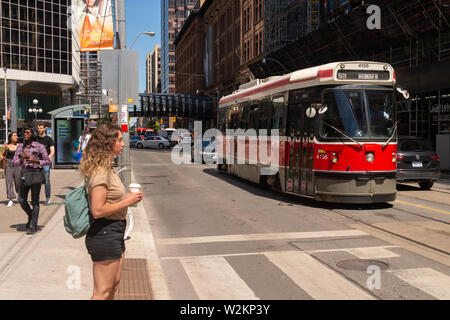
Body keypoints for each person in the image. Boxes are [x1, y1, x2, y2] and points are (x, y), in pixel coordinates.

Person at [79, 123, 143, 300]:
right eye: (119, 140)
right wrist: (127, 201)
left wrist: (126, 199)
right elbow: (98, 210)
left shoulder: (107, 169)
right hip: (104, 232)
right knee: (103, 291)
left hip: (114, 231)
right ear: (108, 143)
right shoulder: (100, 172)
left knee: (113, 286)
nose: (123, 144)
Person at [13, 127, 50, 235]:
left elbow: (48, 161)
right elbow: (15, 162)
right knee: (21, 200)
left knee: (35, 201)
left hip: (36, 174)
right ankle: (31, 215)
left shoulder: (40, 146)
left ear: (32, 134)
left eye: (27, 133)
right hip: (24, 175)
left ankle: (33, 225)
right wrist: (21, 159)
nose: (25, 134)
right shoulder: (20, 147)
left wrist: (36, 160)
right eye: (24, 132)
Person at [0, 132, 22, 207]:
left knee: (18, 181)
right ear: (10, 138)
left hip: (18, 164)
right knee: (8, 181)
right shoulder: (7, 146)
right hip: (9, 164)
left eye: (17, 135)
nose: (16, 137)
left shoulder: (20, 146)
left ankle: (19, 194)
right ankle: (10, 199)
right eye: (14, 136)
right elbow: (1, 154)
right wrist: (3, 158)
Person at [35, 123, 55, 205]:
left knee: (46, 180)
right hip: (36, 163)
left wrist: (48, 157)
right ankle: (36, 198)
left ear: (45, 128)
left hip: (45, 163)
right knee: (36, 181)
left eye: (40, 128)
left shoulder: (49, 139)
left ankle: (47, 198)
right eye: (38, 128)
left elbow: (52, 151)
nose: (39, 129)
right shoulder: (35, 138)